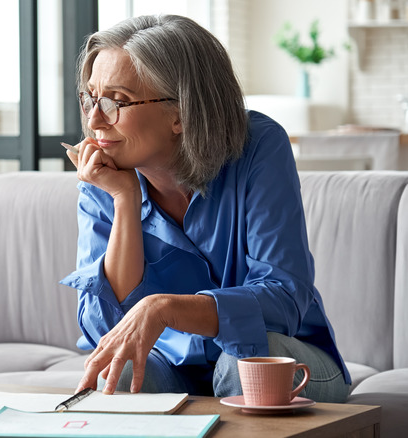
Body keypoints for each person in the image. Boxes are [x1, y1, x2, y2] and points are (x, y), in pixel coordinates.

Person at [59, 14, 350, 402]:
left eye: (117, 101)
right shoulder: (104, 175)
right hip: (173, 366)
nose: (95, 120)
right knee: (123, 370)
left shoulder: (259, 147)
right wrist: (124, 201)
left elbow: (284, 298)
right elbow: (106, 329)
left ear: (181, 113)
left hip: (285, 357)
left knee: (241, 363)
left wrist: (165, 309)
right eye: (90, 98)